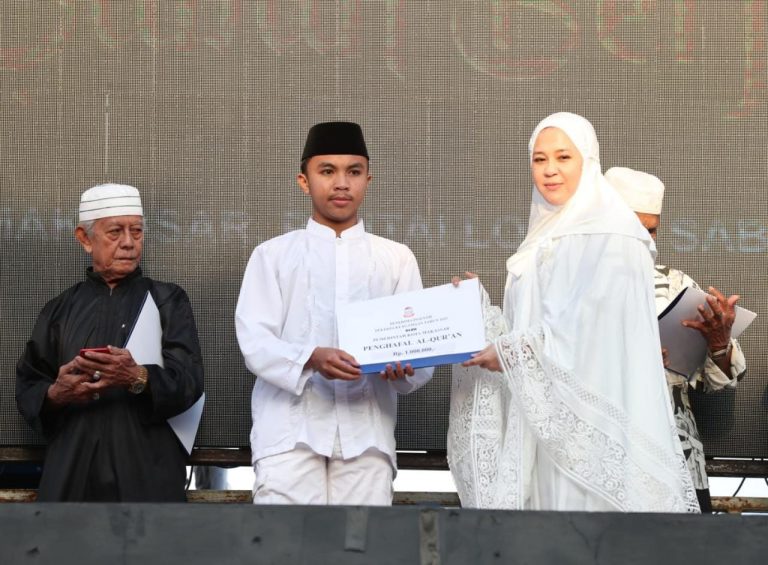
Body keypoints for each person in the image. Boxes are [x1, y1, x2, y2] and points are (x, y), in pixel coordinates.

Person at [447, 112, 699, 512]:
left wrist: (512, 352)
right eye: (539, 159)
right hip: (541, 426)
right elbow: (536, 324)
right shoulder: (540, 239)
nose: (550, 170)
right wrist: (481, 313)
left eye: (563, 157)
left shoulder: (615, 234)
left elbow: (592, 332)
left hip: (589, 432)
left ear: (588, 161)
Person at [235, 121, 433, 505]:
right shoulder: (272, 255)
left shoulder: (395, 259)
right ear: (304, 181)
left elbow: (418, 355)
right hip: (288, 431)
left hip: (367, 433)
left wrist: (403, 369)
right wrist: (312, 357)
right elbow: (255, 342)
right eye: (327, 171)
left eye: (353, 172)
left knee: (362, 539)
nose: (342, 183)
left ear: (368, 180)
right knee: (285, 538)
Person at [16, 183, 204, 502]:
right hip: (72, 472)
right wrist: (56, 394)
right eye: (115, 232)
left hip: (147, 472)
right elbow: (29, 386)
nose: (128, 243)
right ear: (85, 239)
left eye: (137, 231)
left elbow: (189, 384)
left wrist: (138, 377)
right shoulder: (59, 310)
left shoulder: (167, 300)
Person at [605, 166, 747, 512]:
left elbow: (721, 381)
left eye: (651, 230)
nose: (644, 239)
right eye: (633, 228)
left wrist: (719, 344)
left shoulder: (676, 284)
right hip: (604, 451)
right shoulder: (569, 284)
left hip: (677, 453)